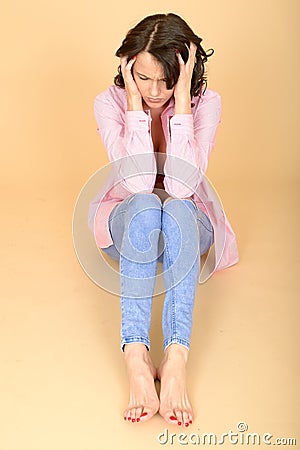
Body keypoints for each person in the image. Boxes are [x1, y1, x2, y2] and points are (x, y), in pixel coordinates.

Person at [88, 13, 239, 427]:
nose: (155, 91)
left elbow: (181, 185)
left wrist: (185, 101)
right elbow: (137, 183)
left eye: (166, 80)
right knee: (144, 204)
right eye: (142, 78)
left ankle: (175, 358)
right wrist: (134, 107)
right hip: (129, 228)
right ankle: (136, 355)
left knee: (173, 205)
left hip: (187, 224)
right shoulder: (109, 103)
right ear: (126, 68)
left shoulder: (207, 103)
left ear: (184, 72)